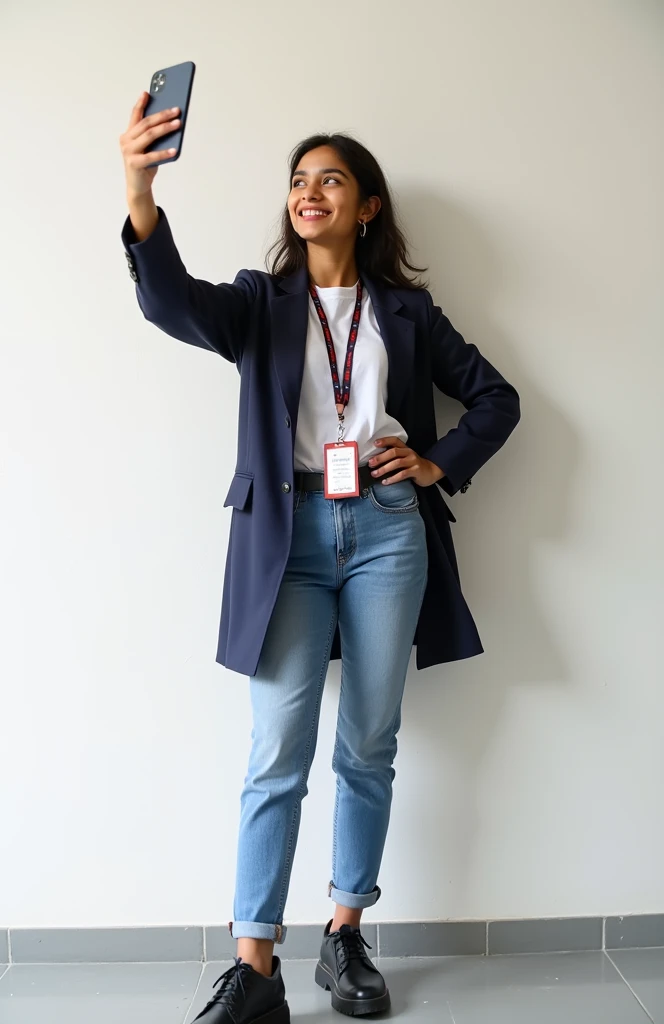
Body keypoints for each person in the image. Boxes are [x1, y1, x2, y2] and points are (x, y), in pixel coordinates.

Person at [119, 92, 520, 1024]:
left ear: (366, 205)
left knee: (367, 747)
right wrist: (140, 186)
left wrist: (434, 461)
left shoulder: (410, 314)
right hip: (287, 538)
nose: (310, 193)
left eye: (331, 179)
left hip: (387, 528)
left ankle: (345, 936)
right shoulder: (260, 305)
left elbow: (495, 398)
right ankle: (256, 969)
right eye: (299, 181)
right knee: (276, 754)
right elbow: (169, 302)